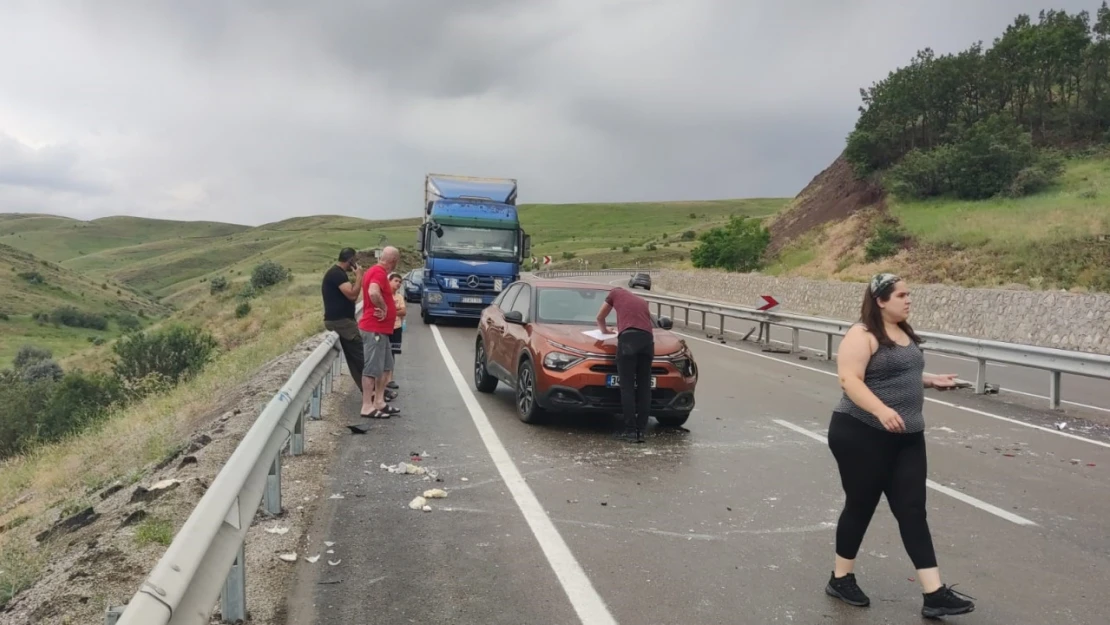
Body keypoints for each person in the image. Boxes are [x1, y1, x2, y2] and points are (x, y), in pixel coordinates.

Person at [825, 273, 975, 619]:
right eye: (902, 295)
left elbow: (897, 371)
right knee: (861, 505)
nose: (909, 300)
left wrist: (931, 379)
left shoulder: (903, 331)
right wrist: (880, 409)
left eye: (910, 294)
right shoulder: (861, 334)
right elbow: (850, 379)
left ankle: (934, 594)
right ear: (880, 300)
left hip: (906, 437)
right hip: (861, 432)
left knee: (911, 510)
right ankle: (840, 578)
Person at [596, 286, 655, 443]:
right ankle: (641, 432)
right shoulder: (641, 301)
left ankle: (630, 432)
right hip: (647, 340)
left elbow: (600, 317)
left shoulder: (614, 293)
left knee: (627, 387)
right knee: (644, 387)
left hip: (628, 339)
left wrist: (605, 331)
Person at [358, 246, 401, 419]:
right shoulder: (378, 273)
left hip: (381, 330)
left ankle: (379, 401)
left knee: (385, 367)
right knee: (372, 368)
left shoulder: (374, 271)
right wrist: (383, 308)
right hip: (373, 328)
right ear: (393, 261)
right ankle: (367, 405)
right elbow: (373, 291)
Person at [321, 248, 363, 393]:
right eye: (355, 260)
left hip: (340, 320)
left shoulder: (338, 273)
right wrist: (359, 277)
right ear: (350, 260)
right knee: (360, 356)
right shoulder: (337, 274)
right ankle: (374, 391)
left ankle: (368, 390)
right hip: (342, 322)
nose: (357, 263)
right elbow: (352, 295)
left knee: (353, 359)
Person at [388, 272, 407, 388]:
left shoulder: (399, 297)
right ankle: (381, 379)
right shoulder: (384, 296)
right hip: (385, 329)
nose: (398, 284)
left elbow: (403, 312)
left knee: (392, 353)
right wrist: (396, 310)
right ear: (389, 281)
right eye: (396, 281)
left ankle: (390, 379)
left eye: (400, 282)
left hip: (397, 328)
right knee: (383, 354)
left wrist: (391, 311)